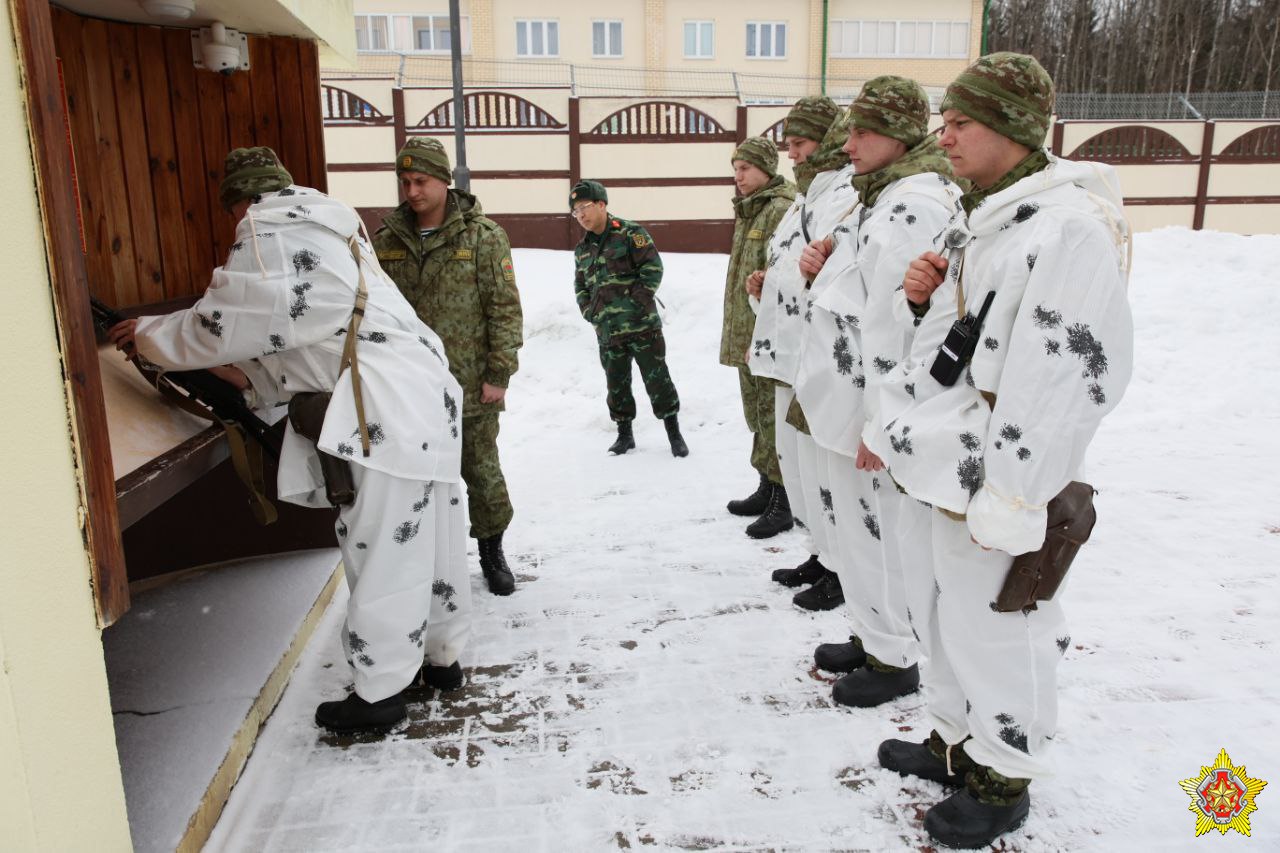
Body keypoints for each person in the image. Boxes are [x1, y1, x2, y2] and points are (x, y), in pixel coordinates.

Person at [108, 147, 472, 734]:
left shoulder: (271, 227)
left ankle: (379, 694)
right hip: (424, 401)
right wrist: (249, 379)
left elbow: (227, 320)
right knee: (433, 538)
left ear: (243, 199)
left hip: (382, 412)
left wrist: (150, 336)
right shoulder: (334, 231)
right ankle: (441, 660)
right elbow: (308, 332)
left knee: (382, 548)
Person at [865, 54, 1134, 848]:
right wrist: (916, 298)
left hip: (995, 478)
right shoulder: (979, 215)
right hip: (936, 462)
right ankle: (955, 737)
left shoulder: (1069, 231)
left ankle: (1005, 770)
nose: (940, 136)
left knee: (998, 627)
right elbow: (945, 346)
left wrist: (1014, 498)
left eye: (959, 123)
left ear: (1013, 129)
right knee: (937, 614)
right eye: (942, 121)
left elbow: (1065, 381)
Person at [792, 77, 963, 709]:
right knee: (859, 532)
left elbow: (894, 327)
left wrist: (878, 424)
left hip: (869, 409)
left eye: (864, 131)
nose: (850, 142)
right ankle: (875, 637)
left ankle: (893, 657)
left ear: (897, 134)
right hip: (849, 402)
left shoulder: (910, 204)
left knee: (874, 532)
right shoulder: (884, 195)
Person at [373, 137, 524, 597]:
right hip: (408, 387)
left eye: (421, 181)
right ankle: (430, 561)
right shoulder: (386, 241)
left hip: (469, 383)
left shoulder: (482, 236)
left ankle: (492, 552)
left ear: (443, 180)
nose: (412, 191)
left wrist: (499, 374)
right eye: (405, 182)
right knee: (419, 477)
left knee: (481, 472)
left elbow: (504, 309)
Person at [748, 96, 858, 605]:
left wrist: (784, 279)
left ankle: (842, 567)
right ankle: (822, 552)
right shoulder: (804, 197)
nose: (792, 154)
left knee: (826, 469)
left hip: (818, 356)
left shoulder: (846, 195)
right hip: (787, 351)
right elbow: (793, 264)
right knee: (800, 468)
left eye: (800, 143)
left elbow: (830, 273)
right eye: (788, 145)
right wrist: (763, 286)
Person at [570, 179, 688, 457]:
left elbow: (653, 267)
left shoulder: (630, 233)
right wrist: (590, 311)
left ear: (601, 204)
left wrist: (637, 301)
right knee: (616, 384)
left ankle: (674, 433)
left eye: (585, 207)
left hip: (642, 326)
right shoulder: (582, 249)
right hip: (608, 330)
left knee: (658, 380)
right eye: (575, 211)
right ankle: (625, 435)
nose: (581, 215)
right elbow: (580, 285)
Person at [720, 136, 795, 532]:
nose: (739, 176)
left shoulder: (779, 210)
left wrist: (759, 337)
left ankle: (784, 498)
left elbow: (780, 279)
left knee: (772, 415)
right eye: (735, 169)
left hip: (764, 337)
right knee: (757, 416)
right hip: (747, 334)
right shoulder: (751, 210)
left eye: (745, 168)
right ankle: (767, 485)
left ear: (767, 168)